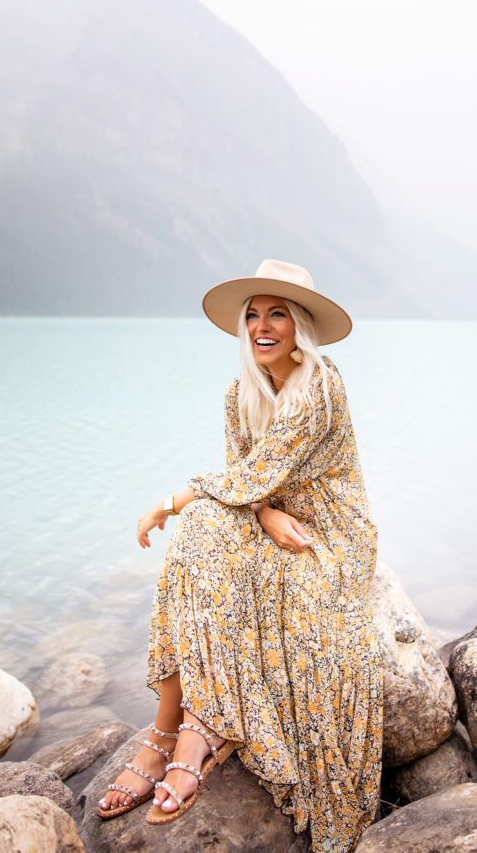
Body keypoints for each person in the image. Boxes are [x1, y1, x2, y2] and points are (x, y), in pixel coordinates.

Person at [98, 259, 383, 853]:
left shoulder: (322, 383)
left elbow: (267, 467)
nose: (262, 325)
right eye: (252, 314)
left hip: (331, 535)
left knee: (197, 517)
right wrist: (263, 513)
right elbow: (244, 479)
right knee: (201, 531)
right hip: (271, 516)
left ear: (299, 325)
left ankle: (183, 736)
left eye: (277, 312)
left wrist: (169, 500)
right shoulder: (239, 392)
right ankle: (174, 729)